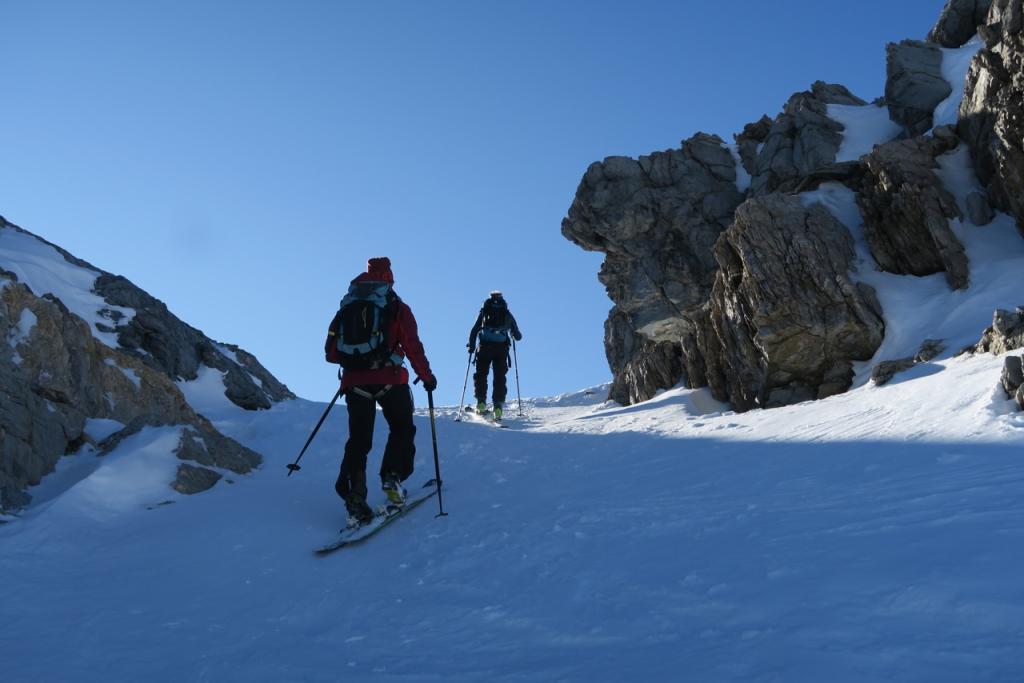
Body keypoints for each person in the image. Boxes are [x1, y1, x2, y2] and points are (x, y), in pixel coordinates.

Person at [324, 257, 436, 526]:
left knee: (359, 441)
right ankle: (392, 477)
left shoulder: (347, 305)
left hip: (354, 384)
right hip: (391, 379)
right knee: (402, 428)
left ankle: (354, 498)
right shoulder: (396, 306)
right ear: (390, 278)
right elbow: (412, 344)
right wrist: (426, 376)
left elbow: (330, 352)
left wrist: (355, 364)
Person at [467, 290, 522, 420]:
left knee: (481, 374)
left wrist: (471, 346)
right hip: (501, 350)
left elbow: (474, 330)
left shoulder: (484, 311)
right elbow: (518, 336)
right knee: (499, 377)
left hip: (484, 348)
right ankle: (498, 407)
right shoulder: (507, 313)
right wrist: (513, 335)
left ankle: (481, 403)